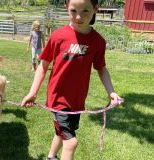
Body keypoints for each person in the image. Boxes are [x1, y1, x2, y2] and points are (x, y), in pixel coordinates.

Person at [21, 0, 122, 159]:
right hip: (58, 99)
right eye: (73, 11)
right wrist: (33, 92)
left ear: (96, 9)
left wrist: (111, 92)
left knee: (63, 133)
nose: (79, 17)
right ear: (66, 7)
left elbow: (101, 68)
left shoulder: (98, 41)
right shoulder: (58, 36)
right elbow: (43, 65)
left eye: (86, 11)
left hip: (77, 100)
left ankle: (51, 156)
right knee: (71, 142)